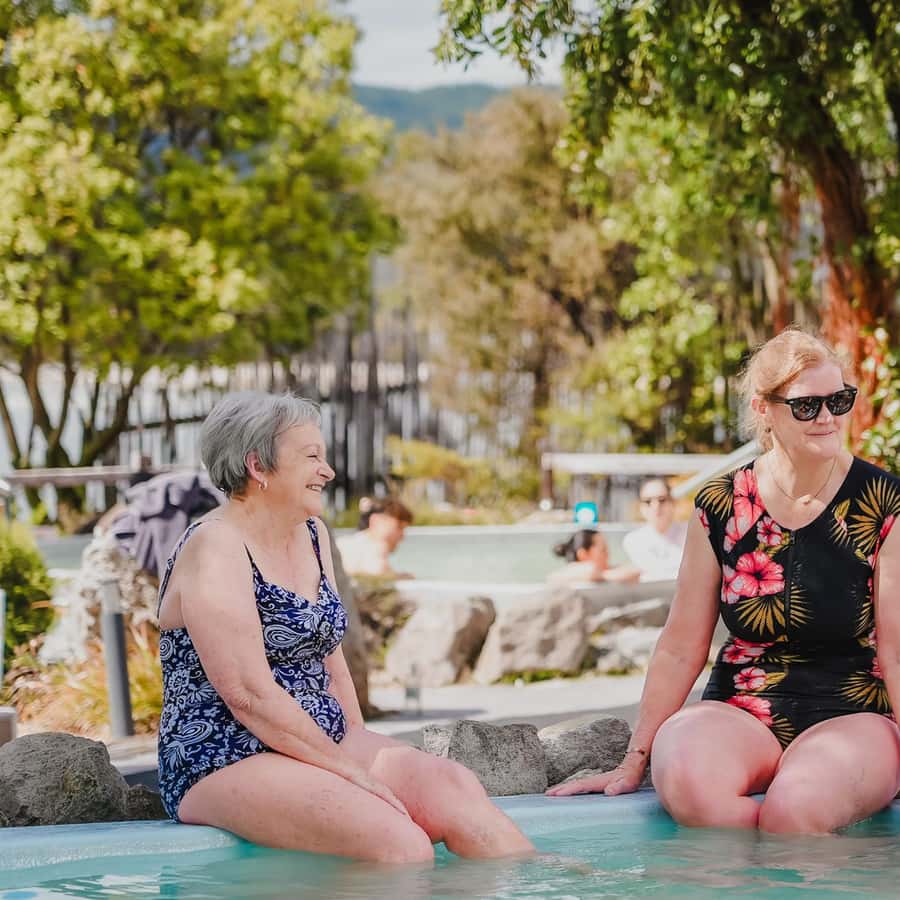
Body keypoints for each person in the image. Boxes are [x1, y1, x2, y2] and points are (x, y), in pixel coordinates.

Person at [548, 329, 900, 834]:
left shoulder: (884, 501)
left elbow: (898, 650)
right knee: (692, 788)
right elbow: (679, 645)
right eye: (807, 406)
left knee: (795, 814)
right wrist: (635, 759)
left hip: (853, 714)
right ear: (764, 409)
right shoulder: (719, 503)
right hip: (741, 708)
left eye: (840, 400)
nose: (828, 418)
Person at [156, 392, 533, 863]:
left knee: (451, 786)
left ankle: (544, 889)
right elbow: (248, 695)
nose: (328, 471)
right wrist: (349, 772)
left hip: (318, 738)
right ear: (258, 466)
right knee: (399, 844)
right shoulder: (216, 545)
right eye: (312, 456)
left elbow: (331, 658)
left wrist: (358, 742)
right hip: (224, 754)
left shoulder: (311, 532)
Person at [622, 478, 687, 581]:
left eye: (662, 500)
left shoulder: (691, 534)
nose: (655, 506)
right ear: (640, 506)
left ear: (673, 502)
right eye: (648, 501)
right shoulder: (633, 540)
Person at [336, 497, 414, 579]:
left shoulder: (346, 544)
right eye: (399, 527)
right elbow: (375, 571)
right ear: (376, 520)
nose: (402, 536)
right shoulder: (349, 548)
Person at [547, 529, 640, 585]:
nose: (608, 554)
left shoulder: (606, 571)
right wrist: (605, 575)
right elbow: (591, 571)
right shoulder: (568, 574)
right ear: (583, 554)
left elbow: (634, 570)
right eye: (603, 550)